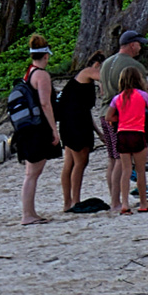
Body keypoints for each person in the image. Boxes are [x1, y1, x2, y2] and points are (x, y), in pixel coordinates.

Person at [16, 35, 62, 225]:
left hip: (29, 128)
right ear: (46, 55)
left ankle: (29, 212)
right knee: (33, 173)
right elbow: (45, 104)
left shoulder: (29, 73)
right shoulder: (41, 75)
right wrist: (54, 129)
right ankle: (28, 214)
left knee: (31, 173)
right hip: (39, 128)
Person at [100, 30, 148, 206]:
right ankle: (116, 202)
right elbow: (142, 91)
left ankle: (115, 200)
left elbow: (102, 90)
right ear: (132, 45)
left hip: (104, 113)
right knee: (121, 160)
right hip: (122, 117)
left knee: (112, 159)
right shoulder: (134, 66)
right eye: (139, 44)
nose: (140, 47)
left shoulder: (106, 63)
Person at [104, 65, 148, 214]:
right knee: (140, 171)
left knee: (126, 170)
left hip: (122, 134)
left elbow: (108, 116)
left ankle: (125, 204)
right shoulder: (142, 95)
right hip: (137, 133)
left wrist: (120, 118)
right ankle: (143, 202)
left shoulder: (118, 97)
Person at [57, 52, 104, 210]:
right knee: (81, 162)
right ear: (97, 64)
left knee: (69, 163)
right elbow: (104, 77)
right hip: (76, 124)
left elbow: (86, 111)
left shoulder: (79, 83)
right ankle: (75, 201)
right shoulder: (87, 72)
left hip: (70, 122)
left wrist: (98, 133)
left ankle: (67, 202)